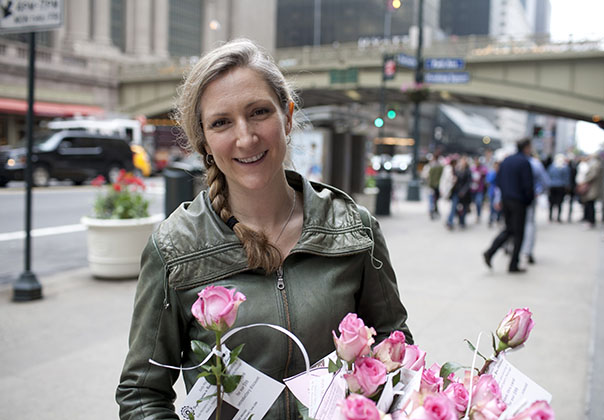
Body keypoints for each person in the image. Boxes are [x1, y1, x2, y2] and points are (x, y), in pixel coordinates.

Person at [116, 39, 412, 420]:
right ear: (203, 140)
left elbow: (396, 352)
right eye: (221, 122)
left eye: (258, 112)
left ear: (287, 117)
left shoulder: (354, 230)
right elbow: (142, 393)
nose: (246, 137)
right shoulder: (175, 248)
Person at [483, 139, 534, 273]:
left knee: (509, 229)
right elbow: (528, 185)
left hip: (507, 200)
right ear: (526, 147)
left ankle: (490, 251)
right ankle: (513, 264)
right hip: (518, 202)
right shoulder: (524, 162)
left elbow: (498, 181)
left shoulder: (506, 161)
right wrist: (527, 200)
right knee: (518, 234)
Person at [520, 153, 549, 264]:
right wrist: (538, 191)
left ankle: (516, 249)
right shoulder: (535, 164)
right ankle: (527, 251)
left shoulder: (513, 161)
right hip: (529, 199)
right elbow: (545, 182)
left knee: (518, 224)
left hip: (515, 199)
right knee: (529, 224)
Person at [446, 156, 472, 230]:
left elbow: (468, 183)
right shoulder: (457, 170)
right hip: (456, 191)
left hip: (464, 193)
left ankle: (462, 221)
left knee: (463, 208)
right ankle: (450, 222)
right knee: (454, 207)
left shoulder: (467, 171)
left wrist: (463, 191)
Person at [547, 154, 571, 222]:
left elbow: (548, 176)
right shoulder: (565, 167)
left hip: (552, 186)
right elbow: (566, 178)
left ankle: (550, 217)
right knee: (559, 202)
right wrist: (567, 186)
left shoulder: (552, 167)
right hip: (560, 186)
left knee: (552, 202)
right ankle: (558, 217)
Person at [470, 156, 488, 223]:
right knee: (473, 203)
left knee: (478, 202)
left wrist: (482, 174)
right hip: (472, 189)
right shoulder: (472, 168)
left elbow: (486, 174)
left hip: (480, 189)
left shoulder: (483, 168)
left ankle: (478, 215)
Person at [426, 154, 444, 220]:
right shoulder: (441, 167)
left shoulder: (431, 166)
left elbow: (428, 176)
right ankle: (434, 210)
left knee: (431, 199)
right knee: (435, 199)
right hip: (437, 186)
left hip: (432, 185)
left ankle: (432, 210)